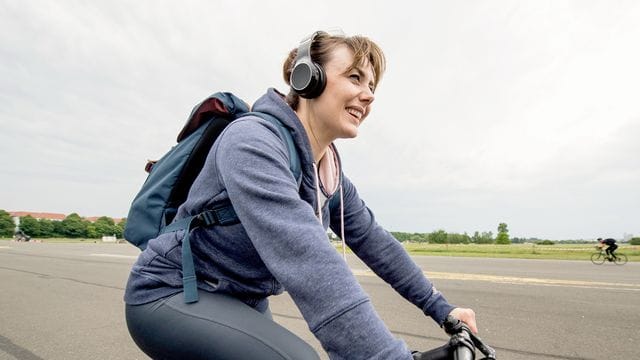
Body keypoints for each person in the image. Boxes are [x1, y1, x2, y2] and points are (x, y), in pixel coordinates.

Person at [124, 30, 477, 360]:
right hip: (171, 292)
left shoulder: (328, 173)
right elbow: (310, 262)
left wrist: (443, 310)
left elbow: (376, 243)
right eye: (355, 78)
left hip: (239, 300)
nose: (369, 95)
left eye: (372, 86)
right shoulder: (252, 142)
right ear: (307, 79)